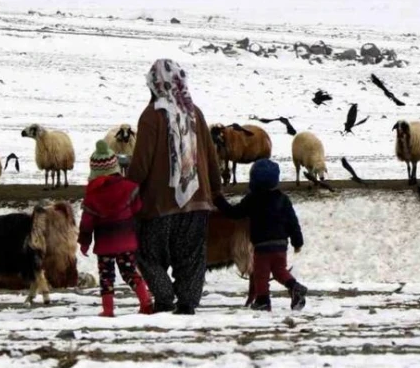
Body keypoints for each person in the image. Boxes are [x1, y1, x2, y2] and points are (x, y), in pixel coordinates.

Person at [127, 58, 223, 314]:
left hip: (159, 205)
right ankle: (188, 303)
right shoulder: (195, 113)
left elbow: (141, 163)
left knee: (147, 253)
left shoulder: (151, 116)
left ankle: (164, 296)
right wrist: (216, 190)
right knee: (191, 256)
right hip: (197, 201)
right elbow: (210, 156)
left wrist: (128, 190)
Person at [214, 158, 307, 311]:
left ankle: (263, 300)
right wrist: (297, 242)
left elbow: (235, 213)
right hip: (280, 245)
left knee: (260, 274)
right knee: (279, 271)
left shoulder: (253, 199)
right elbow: (293, 222)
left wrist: (219, 200)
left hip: (262, 246)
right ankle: (294, 286)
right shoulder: (283, 199)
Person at [78, 140, 153, 317]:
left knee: (106, 276)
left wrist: (84, 242)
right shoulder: (128, 188)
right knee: (129, 271)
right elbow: (137, 208)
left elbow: (87, 222)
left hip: (105, 243)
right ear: (114, 166)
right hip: (125, 239)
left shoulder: (92, 194)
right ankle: (146, 301)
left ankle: (108, 310)